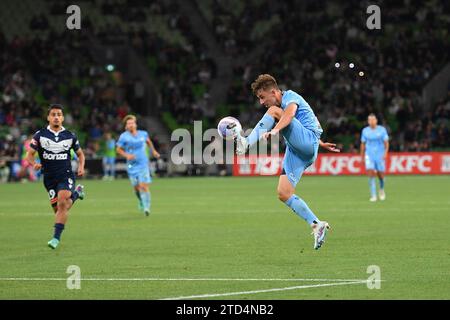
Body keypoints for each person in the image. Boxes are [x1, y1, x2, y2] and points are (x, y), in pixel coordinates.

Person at [234, 74, 340, 250]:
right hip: (299, 150)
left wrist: (275, 130)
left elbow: (290, 114)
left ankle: (246, 142)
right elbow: (310, 122)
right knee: (284, 193)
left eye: (262, 97)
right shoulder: (284, 104)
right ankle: (316, 224)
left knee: (274, 112)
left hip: (305, 144)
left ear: (274, 92)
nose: (261, 102)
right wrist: (320, 143)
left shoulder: (290, 97)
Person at [25, 104, 86, 249]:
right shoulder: (39, 135)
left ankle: (55, 239)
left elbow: (80, 154)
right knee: (59, 209)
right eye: (53, 114)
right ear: (48, 117)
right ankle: (77, 194)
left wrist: (81, 167)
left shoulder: (70, 136)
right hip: (49, 178)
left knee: (62, 202)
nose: (56, 117)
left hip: (65, 175)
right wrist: (34, 164)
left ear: (63, 118)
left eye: (59, 114)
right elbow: (29, 155)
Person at [116, 115, 160, 216]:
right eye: (128, 124)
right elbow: (118, 149)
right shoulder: (124, 136)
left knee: (143, 186)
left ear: (135, 124)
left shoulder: (143, 134)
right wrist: (127, 155)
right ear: (126, 126)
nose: (131, 125)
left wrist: (154, 151)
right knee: (136, 187)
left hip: (143, 164)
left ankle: (146, 207)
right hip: (132, 166)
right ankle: (140, 200)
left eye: (132, 123)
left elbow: (149, 142)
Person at [360, 114, 389, 201]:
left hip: (379, 155)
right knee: (370, 173)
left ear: (376, 120)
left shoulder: (382, 130)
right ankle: (373, 195)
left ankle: (381, 189)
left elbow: (386, 142)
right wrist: (362, 156)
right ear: (368, 121)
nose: (371, 121)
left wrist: (385, 153)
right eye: (370, 120)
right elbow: (363, 143)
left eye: (373, 119)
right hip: (369, 155)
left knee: (381, 175)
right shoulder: (365, 131)